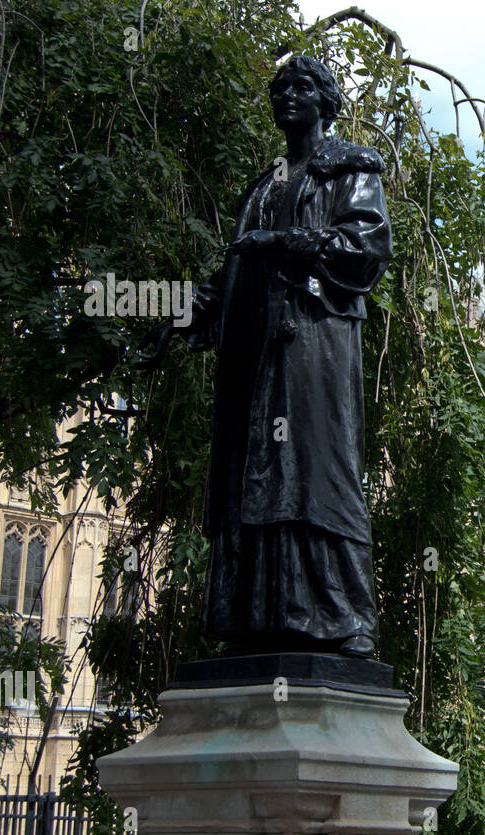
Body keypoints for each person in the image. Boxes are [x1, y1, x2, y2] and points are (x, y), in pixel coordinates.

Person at [137, 56, 391, 657]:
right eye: (280, 89)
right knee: (256, 478)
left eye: (303, 87)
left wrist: (282, 244)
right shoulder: (264, 185)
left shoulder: (350, 169)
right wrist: (176, 316)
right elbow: (231, 276)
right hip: (253, 357)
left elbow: (364, 249)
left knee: (313, 474)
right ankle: (259, 617)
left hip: (314, 348)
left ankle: (339, 618)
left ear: (327, 102)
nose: (289, 97)